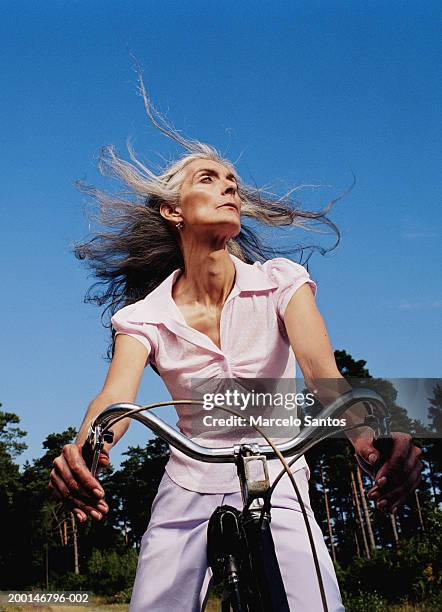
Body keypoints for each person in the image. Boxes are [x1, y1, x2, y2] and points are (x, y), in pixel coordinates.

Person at [49, 82, 423, 611]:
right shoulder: (141, 317)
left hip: (281, 478)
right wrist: (88, 447)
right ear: (173, 211)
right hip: (188, 486)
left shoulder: (281, 282)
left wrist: (368, 440)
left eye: (233, 182)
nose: (230, 189)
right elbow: (114, 400)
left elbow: (324, 376)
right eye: (209, 179)